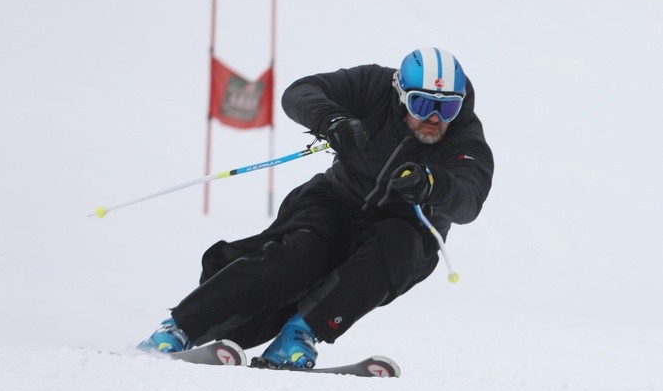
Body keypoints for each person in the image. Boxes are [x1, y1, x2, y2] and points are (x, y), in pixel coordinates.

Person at [138, 47, 494, 369]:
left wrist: (433, 182)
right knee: (302, 256)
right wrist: (332, 120)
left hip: (404, 230)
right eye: (422, 104)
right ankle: (180, 328)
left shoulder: (464, 136)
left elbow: (469, 198)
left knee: (398, 243)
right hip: (334, 202)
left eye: (447, 107)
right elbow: (299, 93)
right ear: (400, 95)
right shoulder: (372, 84)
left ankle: (298, 336)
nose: (435, 118)